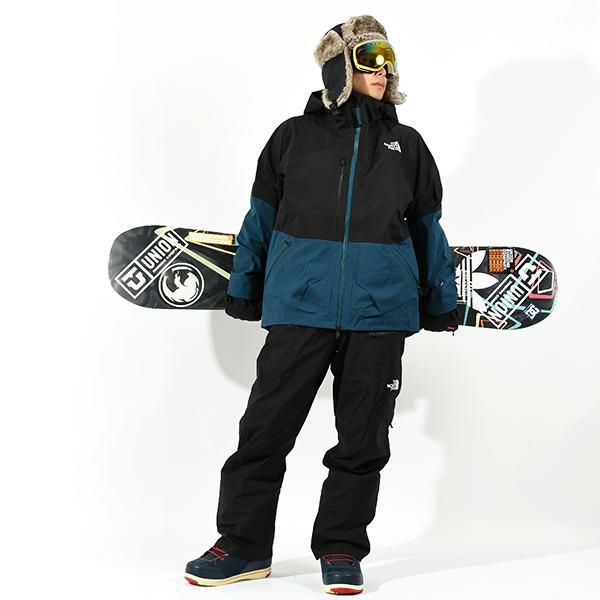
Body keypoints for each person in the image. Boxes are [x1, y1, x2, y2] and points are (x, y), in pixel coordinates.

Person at [184, 14, 459, 595]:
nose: (383, 70)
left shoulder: (408, 146)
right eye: (369, 57)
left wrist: (440, 299)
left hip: (379, 314)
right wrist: (244, 285)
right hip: (299, 308)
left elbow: (428, 230)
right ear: (339, 65)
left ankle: (340, 547)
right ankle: (242, 544)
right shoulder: (292, 137)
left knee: (363, 440)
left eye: (389, 58)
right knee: (263, 432)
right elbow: (260, 220)